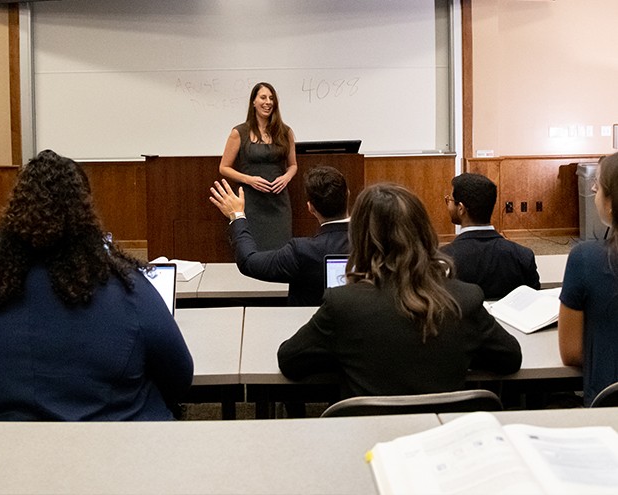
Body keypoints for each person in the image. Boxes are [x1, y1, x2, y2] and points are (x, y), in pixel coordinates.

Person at [0, 150, 193, 421]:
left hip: (3, 457)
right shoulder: (130, 291)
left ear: (13, 216)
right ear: (86, 215)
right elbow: (179, 379)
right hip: (118, 453)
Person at [277, 183, 522, 399]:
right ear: (424, 232)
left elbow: (290, 361)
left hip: (367, 443)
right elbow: (510, 359)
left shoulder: (342, 304)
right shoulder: (464, 299)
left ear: (360, 238)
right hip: (440, 439)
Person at [209, 166, 350, 306]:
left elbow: (248, 261)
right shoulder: (371, 242)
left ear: (310, 208)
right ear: (348, 195)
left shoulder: (301, 251)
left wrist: (237, 215)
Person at [559, 153, 618, 406]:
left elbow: (571, 353)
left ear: (612, 203)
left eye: (598, 186)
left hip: (607, 414)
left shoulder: (585, 258)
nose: (593, 190)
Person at [219, 81, 298, 250]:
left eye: (271, 98)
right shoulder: (239, 132)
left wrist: (286, 177)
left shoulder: (286, 132)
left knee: (281, 250)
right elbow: (224, 167)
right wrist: (249, 180)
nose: (267, 102)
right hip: (250, 202)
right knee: (252, 250)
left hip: (279, 202)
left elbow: (293, 166)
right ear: (253, 102)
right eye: (263, 97)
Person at [441, 172, 540, 299]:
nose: (448, 204)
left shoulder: (444, 260)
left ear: (461, 208)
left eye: (449, 200)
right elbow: (535, 304)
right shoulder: (523, 256)